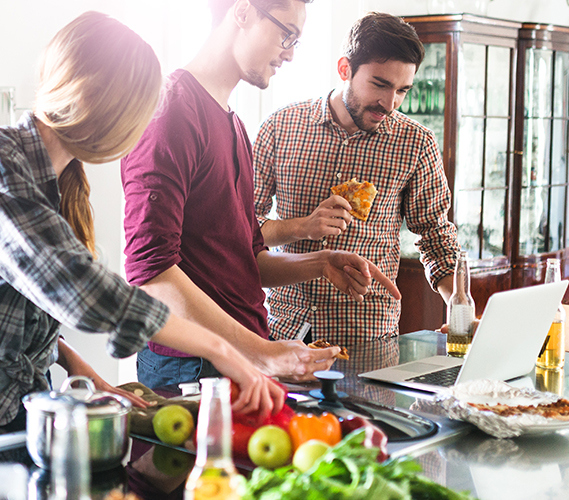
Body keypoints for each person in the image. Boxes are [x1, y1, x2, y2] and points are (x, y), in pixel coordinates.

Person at [0, 11, 286, 446]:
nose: (140, 131)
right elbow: (79, 288)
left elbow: (9, 304)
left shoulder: (56, 177)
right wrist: (224, 349)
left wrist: (73, 361)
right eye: (140, 113)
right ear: (102, 101)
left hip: (15, 403)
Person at [121, 0, 401, 389]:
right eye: (286, 34)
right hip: (193, 364)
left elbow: (245, 258)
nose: (289, 53)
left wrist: (320, 263)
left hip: (239, 355)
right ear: (242, 12)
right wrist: (261, 352)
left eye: (296, 41)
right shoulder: (171, 111)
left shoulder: (234, 124)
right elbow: (150, 274)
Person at [252, 12, 461, 346]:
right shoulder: (280, 128)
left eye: (402, 90)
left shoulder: (416, 143)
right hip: (283, 331)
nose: (390, 104)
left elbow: (436, 234)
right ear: (345, 69)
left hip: (367, 335)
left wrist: (459, 301)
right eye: (380, 84)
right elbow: (243, 229)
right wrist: (302, 226)